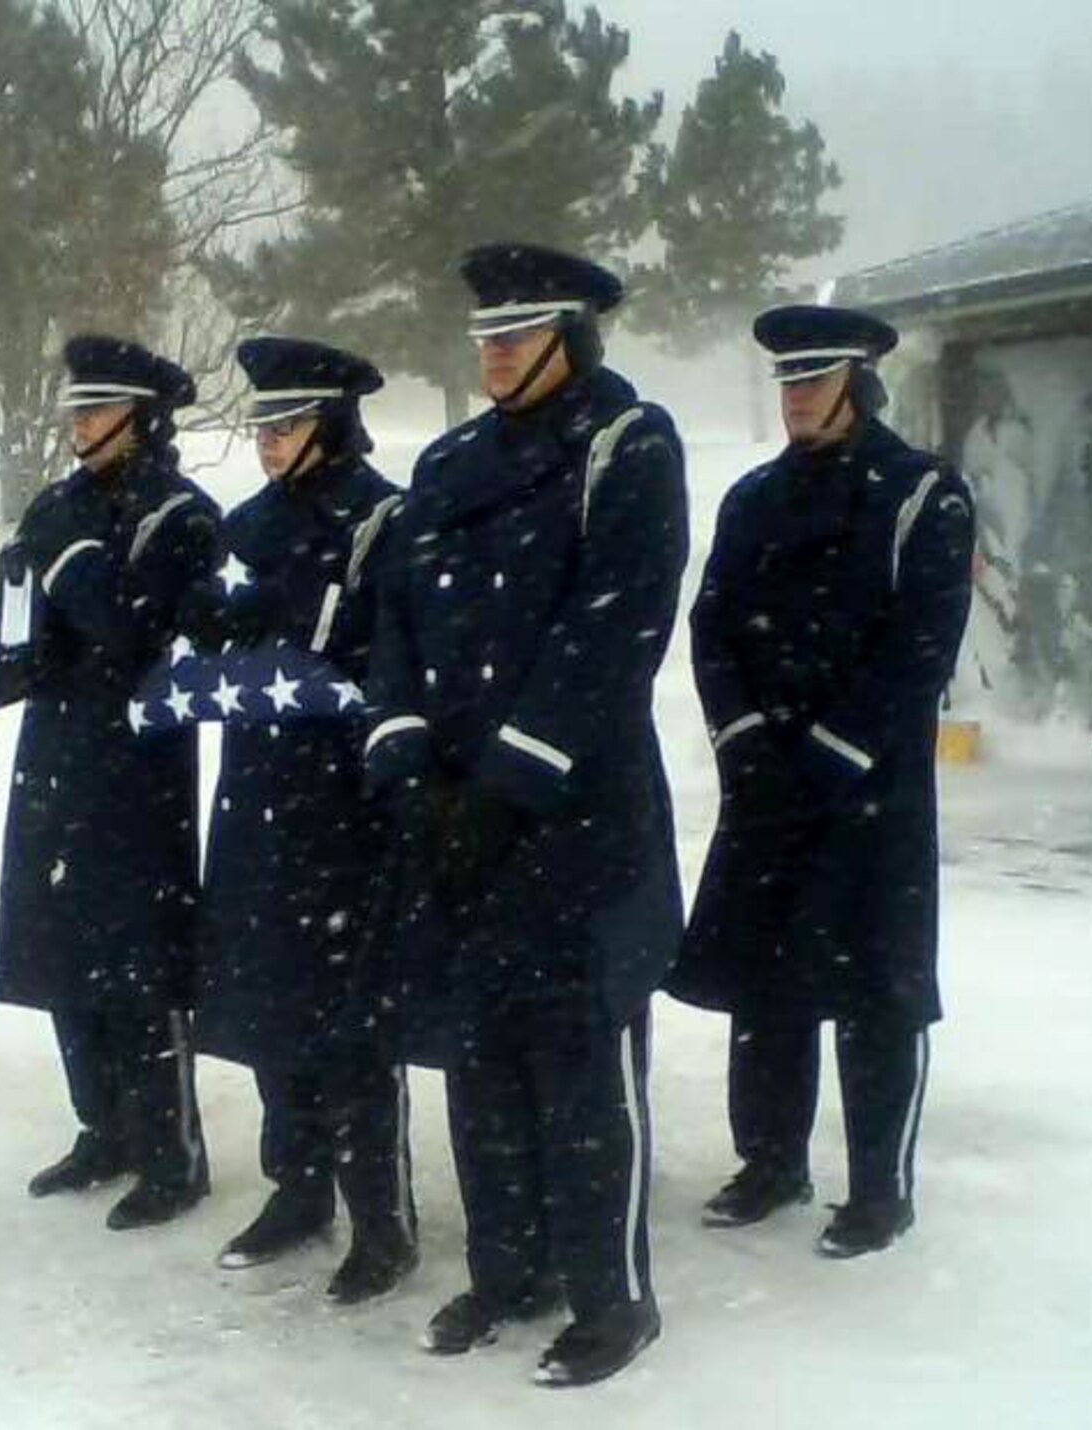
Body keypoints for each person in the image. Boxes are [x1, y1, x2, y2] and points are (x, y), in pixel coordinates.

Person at [361, 243, 687, 1386]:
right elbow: (389, 618)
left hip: (573, 814)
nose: (494, 354)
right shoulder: (446, 462)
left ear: (572, 336)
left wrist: (508, 778)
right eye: (483, 339)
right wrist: (404, 761)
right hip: (453, 817)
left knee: (586, 1064)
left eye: (516, 335)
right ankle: (506, 1270)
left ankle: (612, 1294)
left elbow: (617, 621)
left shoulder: (624, 445)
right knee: (480, 1058)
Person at [668, 304, 974, 1258]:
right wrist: (745, 739)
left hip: (869, 790)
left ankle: (881, 1188)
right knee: (766, 984)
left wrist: (835, 753)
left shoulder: (924, 494)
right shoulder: (753, 498)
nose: (797, 397)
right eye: (787, 384)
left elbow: (920, 648)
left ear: (859, 383)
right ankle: (771, 1162)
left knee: (879, 989)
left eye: (813, 380)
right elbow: (712, 625)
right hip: (766, 784)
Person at [190, 335, 417, 1304]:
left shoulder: (383, 523)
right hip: (256, 792)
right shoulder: (248, 528)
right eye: (262, 427)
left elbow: (397, 660)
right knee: (268, 1003)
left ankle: (381, 1216)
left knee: (348, 1020)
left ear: (331, 423)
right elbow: (223, 636)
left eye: (285, 425)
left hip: (343, 805)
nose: (268, 443)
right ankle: (298, 1186)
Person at [0, 334, 219, 1231]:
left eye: (97, 411)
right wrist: (8, 642)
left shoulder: (180, 513)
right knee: (62, 951)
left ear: (144, 419)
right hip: (54, 754)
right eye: (75, 411)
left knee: (139, 961)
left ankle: (171, 1153)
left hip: (136, 766)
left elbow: (131, 630)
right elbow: (17, 642)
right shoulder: (58, 505)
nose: (80, 426)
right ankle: (104, 1127)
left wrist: (72, 565)